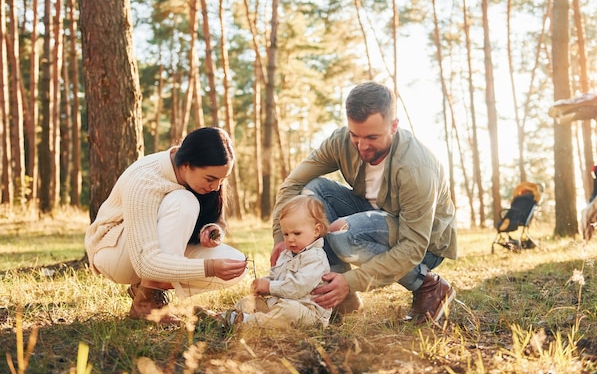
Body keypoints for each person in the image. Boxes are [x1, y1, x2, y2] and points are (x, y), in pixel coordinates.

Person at [270, 81, 457, 325]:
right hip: (372, 216)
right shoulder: (341, 141)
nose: (362, 145)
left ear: (394, 126)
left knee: (343, 233)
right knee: (312, 191)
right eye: (355, 135)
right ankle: (338, 298)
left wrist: (351, 282)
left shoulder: (416, 169)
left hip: (424, 245)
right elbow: (293, 184)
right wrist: (280, 239)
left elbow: (413, 247)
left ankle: (429, 286)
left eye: (372, 137)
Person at [85, 127, 247, 324]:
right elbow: (146, 263)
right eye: (211, 179)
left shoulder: (207, 179)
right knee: (183, 200)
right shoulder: (145, 178)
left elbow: (214, 219)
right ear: (187, 164)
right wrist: (210, 267)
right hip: (115, 252)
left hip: (153, 253)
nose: (215, 186)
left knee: (235, 264)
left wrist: (212, 230)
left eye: (222, 180)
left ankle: (147, 293)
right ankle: (147, 304)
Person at [227, 194, 332, 328]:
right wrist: (263, 284)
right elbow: (276, 277)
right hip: (279, 304)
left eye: (297, 233)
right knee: (247, 302)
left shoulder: (315, 258)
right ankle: (227, 318)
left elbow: (296, 289)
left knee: (288, 311)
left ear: (316, 230)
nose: (290, 239)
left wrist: (269, 287)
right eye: (286, 234)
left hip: (308, 313)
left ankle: (246, 322)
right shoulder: (287, 254)